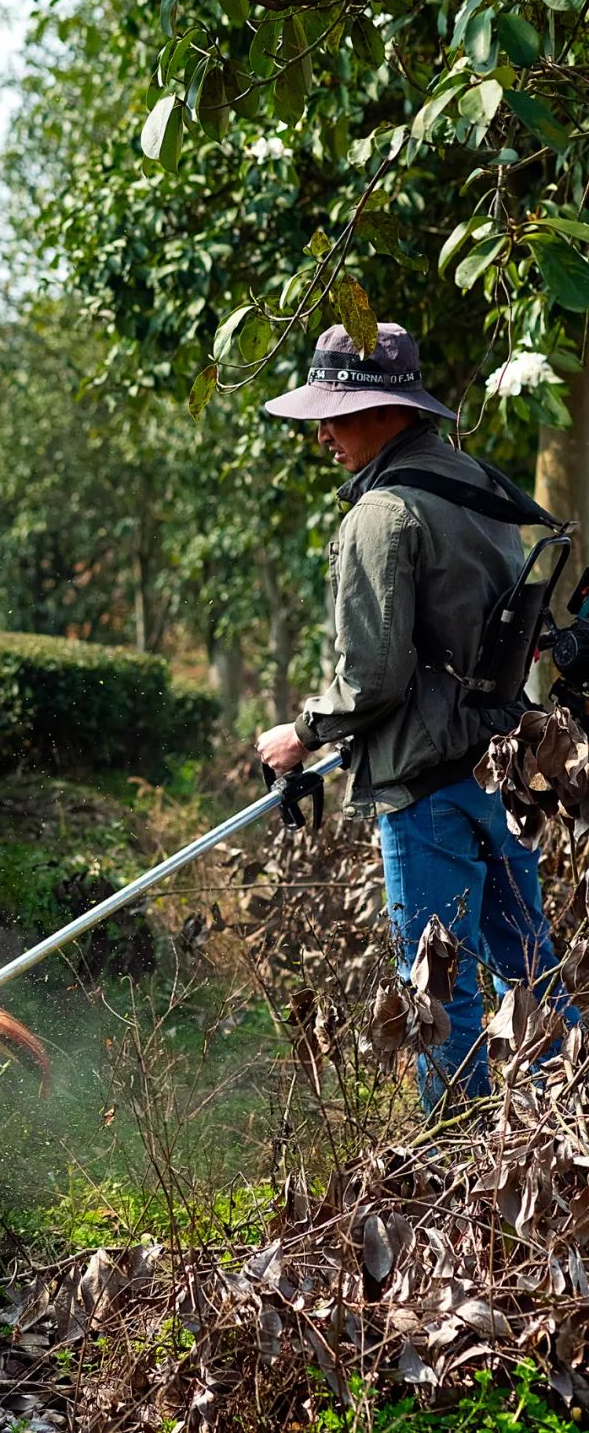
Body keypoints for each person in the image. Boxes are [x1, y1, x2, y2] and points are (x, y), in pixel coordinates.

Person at [256, 321, 577, 1111]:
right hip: (502, 771)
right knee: (528, 964)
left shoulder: (382, 514)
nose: (324, 434)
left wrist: (301, 731)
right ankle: (566, 1129)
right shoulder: (482, 490)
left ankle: (453, 1166)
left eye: (335, 413)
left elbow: (373, 678)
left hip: (425, 791)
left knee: (438, 991)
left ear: (384, 411)